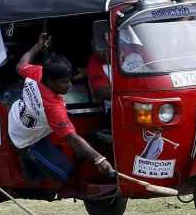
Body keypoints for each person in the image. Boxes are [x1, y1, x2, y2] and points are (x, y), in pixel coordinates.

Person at [8, 33, 117, 184]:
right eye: (64, 82)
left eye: (69, 80)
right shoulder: (53, 108)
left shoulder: (38, 72)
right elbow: (72, 138)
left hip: (17, 113)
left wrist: (38, 45)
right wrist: (99, 159)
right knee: (65, 174)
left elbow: (21, 64)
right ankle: (27, 159)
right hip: (26, 137)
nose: (69, 85)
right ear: (50, 81)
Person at [87, 32, 111, 109]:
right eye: (95, 47)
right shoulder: (94, 60)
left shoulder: (134, 50)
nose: (100, 51)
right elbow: (101, 91)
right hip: (113, 110)